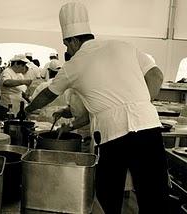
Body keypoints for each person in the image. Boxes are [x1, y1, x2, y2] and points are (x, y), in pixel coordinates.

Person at [25, 2, 169, 214]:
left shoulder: (74, 64)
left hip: (113, 136)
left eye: (67, 45)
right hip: (149, 127)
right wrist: (138, 104)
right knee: (153, 198)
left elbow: (47, 94)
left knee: (108, 198)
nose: (68, 50)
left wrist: (29, 109)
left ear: (72, 40)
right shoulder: (123, 45)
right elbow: (156, 74)